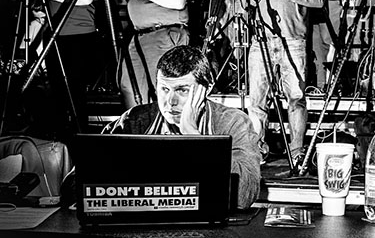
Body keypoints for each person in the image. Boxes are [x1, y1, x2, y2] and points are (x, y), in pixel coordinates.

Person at [104, 45, 261, 209]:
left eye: (182, 90)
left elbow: (244, 197)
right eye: (164, 89)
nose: (171, 101)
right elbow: (79, 183)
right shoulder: (135, 121)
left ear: (205, 89)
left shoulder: (232, 123)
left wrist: (194, 137)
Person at [249, 0, 325, 162]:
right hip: (261, 40)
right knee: (257, 101)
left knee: (296, 98)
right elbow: (242, 2)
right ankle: (257, 150)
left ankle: (297, 150)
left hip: (294, 40)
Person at [34, 0, 99, 133]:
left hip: (79, 34)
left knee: (75, 89)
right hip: (55, 34)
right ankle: (60, 134)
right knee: (56, 87)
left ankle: (80, 133)